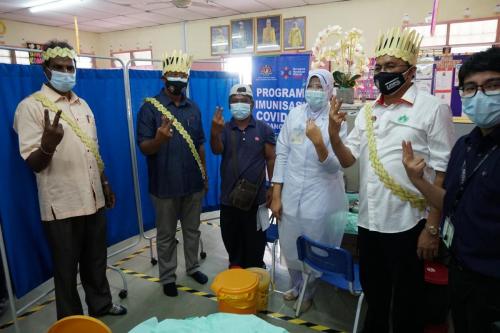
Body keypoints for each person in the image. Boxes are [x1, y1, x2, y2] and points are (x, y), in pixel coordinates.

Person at [328, 27, 455, 333]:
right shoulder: (369, 111)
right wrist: (333, 135)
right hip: (370, 223)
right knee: (376, 297)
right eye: (379, 67)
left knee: (408, 304)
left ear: (410, 72)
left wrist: (432, 228)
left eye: (391, 67)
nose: (383, 73)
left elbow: (442, 172)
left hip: (409, 224)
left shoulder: (433, 109)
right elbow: (348, 159)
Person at [13, 40, 127, 319]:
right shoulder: (30, 108)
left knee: (96, 261)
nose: (66, 72)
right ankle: (72, 321)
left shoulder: (83, 104)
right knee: (65, 269)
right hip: (61, 205)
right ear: (46, 70)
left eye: (70, 67)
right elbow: (33, 164)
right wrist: (48, 145)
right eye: (59, 67)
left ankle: (100, 306)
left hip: (94, 199)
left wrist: (105, 183)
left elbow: (93, 150)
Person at [402, 47, 500, 333]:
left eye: (492, 85)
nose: (479, 95)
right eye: (470, 88)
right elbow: (450, 200)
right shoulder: (466, 145)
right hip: (461, 271)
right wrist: (418, 180)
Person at [270, 69, 348, 313]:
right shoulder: (294, 115)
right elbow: (282, 154)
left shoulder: (335, 121)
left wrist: (318, 142)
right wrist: (276, 195)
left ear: (328, 90)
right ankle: (295, 285)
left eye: (319, 86)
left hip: (320, 195)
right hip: (291, 194)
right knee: (291, 243)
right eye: (310, 85)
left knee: (315, 246)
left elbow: (336, 165)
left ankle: (309, 291)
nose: (313, 90)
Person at [137, 50, 208, 297]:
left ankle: (193, 267)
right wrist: (158, 140)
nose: (178, 78)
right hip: (164, 186)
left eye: (182, 74)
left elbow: (200, 143)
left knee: (192, 230)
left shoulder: (193, 108)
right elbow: (145, 147)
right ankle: (168, 277)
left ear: (188, 77)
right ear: (163, 76)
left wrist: (204, 175)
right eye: (173, 74)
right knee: (166, 235)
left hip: (192, 183)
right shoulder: (150, 109)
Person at [210, 84, 276, 269]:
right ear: (229, 105)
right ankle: (237, 270)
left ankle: (255, 271)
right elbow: (217, 150)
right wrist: (214, 133)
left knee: (255, 245)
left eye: (244, 101)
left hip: (256, 201)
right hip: (229, 199)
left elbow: (271, 159)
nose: (239, 104)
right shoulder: (223, 128)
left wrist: (272, 186)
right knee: (232, 241)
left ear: (252, 104)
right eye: (235, 101)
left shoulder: (264, 130)